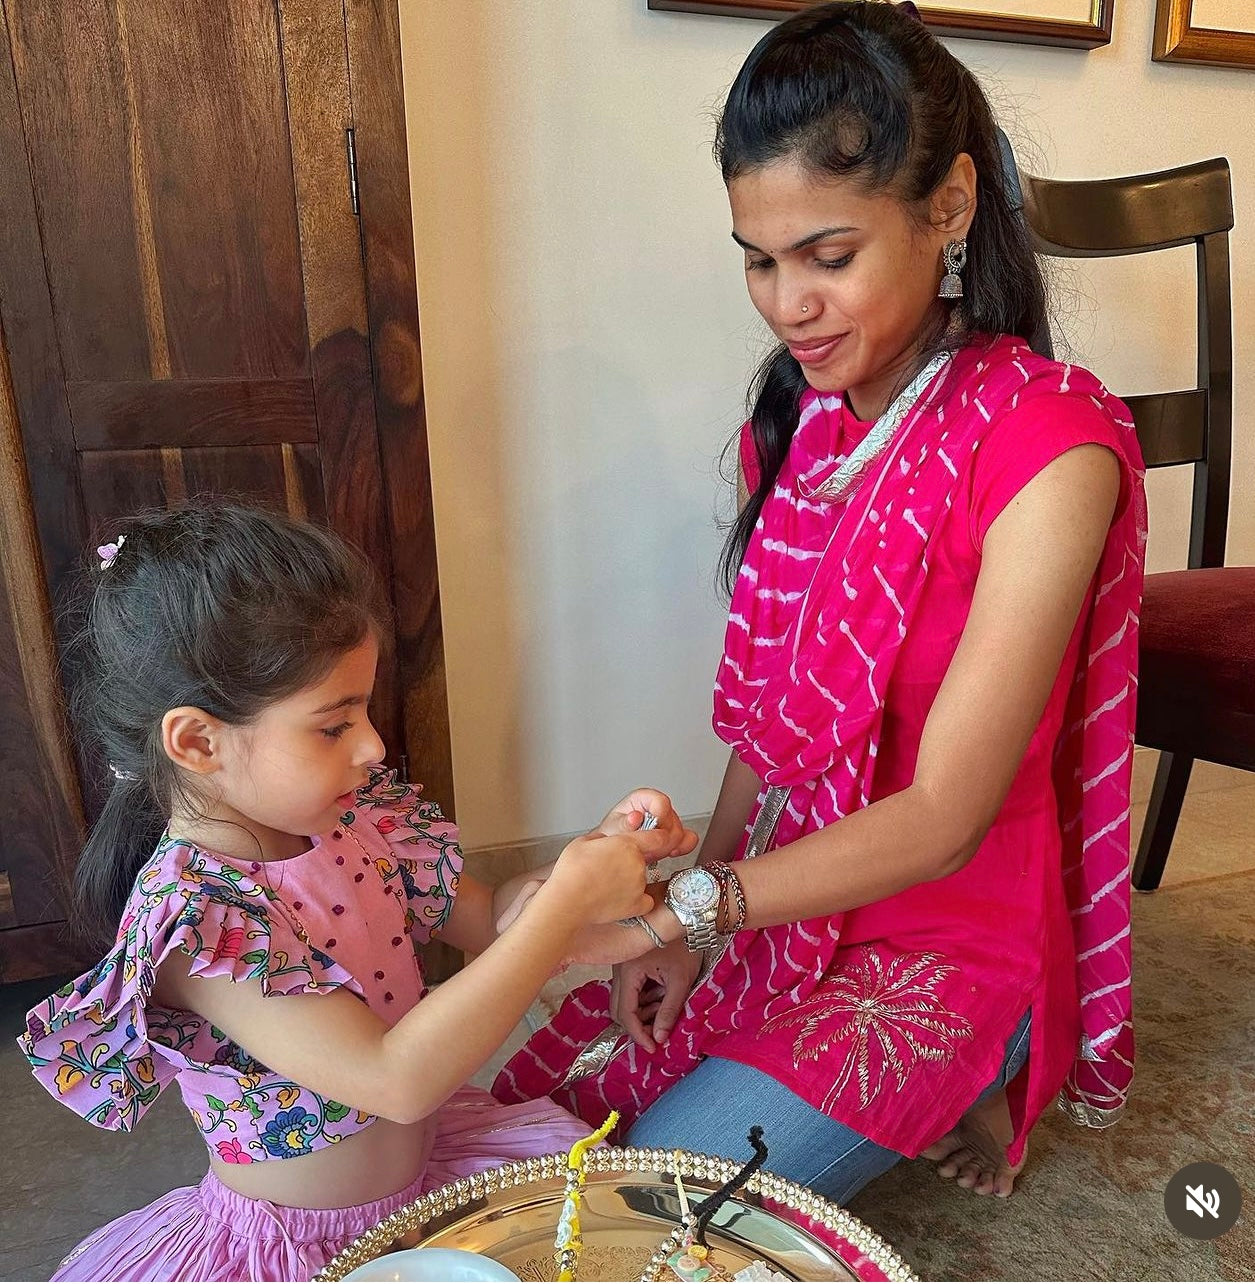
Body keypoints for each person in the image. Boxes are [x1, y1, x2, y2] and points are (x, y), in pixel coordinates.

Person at [495, 0, 1146, 1206]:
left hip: (949, 942)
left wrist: (682, 908)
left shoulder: (1048, 449)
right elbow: (772, 731)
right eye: (758, 257)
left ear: (946, 208)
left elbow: (945, 815)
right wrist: (700, 931)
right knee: (537, 1125)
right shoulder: (796, 429)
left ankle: (986, 1061)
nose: (787, 305)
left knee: (644, 1208)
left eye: (827, 257)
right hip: (793, 893)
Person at [19, 504, 697, 1282]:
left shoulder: (358, 821)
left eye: (363, 711)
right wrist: (563, 904)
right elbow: (393, 1079)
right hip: (297, 1253)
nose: (374, 745)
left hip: (432, 1186)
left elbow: (486, 919)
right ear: (199, 741)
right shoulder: (199, 920)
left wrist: (585, 864)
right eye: (333, 725)